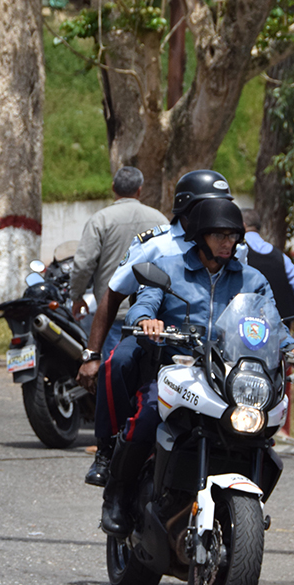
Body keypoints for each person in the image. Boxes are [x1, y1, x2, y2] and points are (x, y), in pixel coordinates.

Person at [99, 198, 294, 535]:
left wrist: (293, 348)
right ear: (200, 236)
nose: (227, 243)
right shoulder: (169, 269)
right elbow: (145, 303)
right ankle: (117, 492)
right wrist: (147, 320)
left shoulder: (252, 279)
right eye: (219, 236)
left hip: (228, 373)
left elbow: (270, 322)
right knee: (148, 414)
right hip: (177, 366)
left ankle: (242, 513)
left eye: (232, 236)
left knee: (262, 435)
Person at [76, 169, 241, 486]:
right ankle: (109, 448)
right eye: (212, 204)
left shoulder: (232, 245)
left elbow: (253, 297)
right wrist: (91, 354)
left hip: (214, 342)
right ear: (188, 209)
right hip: (156, 336)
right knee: (117, 363)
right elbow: (113, 294)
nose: (221, 215)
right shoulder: (157, 245)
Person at [68, 167, 166, 486]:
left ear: (113, 188)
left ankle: (111, 447)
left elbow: (83, 263)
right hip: (155, 322)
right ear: (139, 189)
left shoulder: (101, 220)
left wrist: (75, 296)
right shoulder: (160, 220)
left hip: (113, 315)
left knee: (110, 380)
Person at [241, 208, 294, 319]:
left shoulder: (237, 253)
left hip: (247, 326)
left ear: (242, 226)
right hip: (280, 324)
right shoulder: (281, 257)